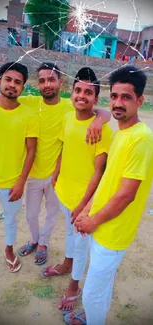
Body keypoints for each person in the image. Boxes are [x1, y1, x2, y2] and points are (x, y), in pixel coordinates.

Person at [64, 65, 153, 325]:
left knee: (91, 293)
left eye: (126, 97)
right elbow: (107, 183)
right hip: (102, 226)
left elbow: (126, 195)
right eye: (114, 96)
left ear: (140, 100)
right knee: (100, 286)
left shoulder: (141, 139)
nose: (118, 103)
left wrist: (93, 220)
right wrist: (87, 209)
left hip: (112, 234)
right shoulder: (120, 133)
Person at [18, 62, 111, 265]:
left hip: (56, 178)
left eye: (51, 79)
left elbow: (101, 110)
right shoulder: (31, 102)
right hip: (34, 173)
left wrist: (99, 120)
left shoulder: (70, 105)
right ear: (37, 84)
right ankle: (34, 239)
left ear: (61, 82)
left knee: (52, 215)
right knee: (31, 214)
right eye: (42, 80)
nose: (47, 84)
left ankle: (43, 243)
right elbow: (6, 97)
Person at [41, 67, 112, 314]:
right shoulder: (68, 118)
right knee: (70, 236)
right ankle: (66, 265)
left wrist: (84, 204)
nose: (81, 95)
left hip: (84, 201)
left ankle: (74, 287)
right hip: (64, 192)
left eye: (88, 92)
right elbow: (65, 146)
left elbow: (99, 173)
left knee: (81, 244)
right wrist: (57, 172)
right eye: (78, 90)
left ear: (96, 98)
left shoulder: (101, 129)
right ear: (71, 93)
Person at [0, 62, 39, 272]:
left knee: (11, 220)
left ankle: (8, 250)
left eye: (17, 82)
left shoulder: (29, 115)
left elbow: (31, 150)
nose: (12, 85)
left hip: (11, 182)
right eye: (8, 80)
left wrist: (21, 182)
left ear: (23, 88)